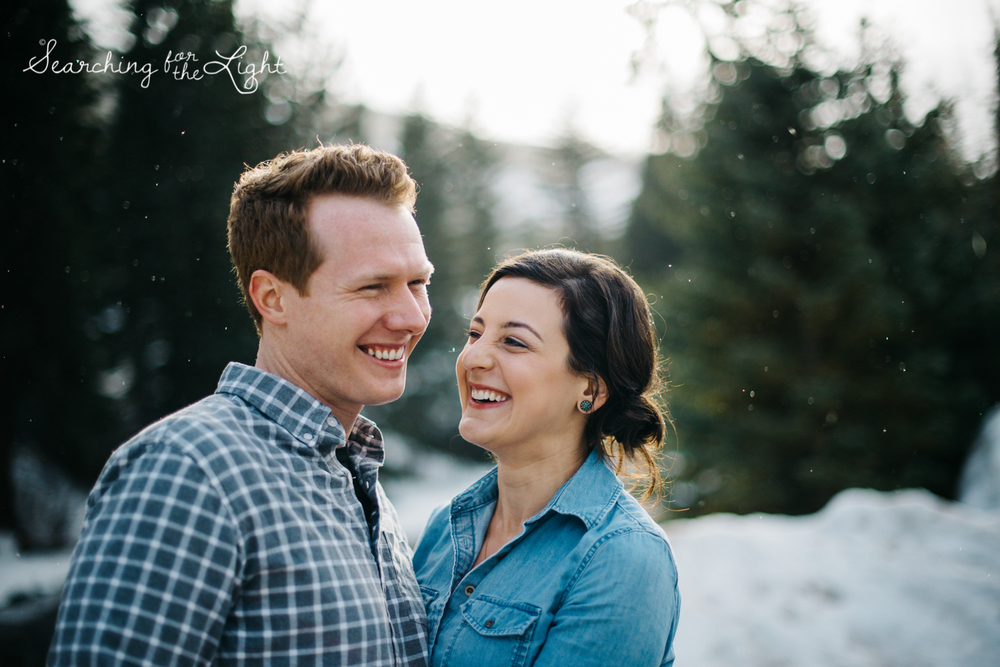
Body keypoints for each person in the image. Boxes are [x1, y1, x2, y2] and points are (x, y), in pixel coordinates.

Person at [48, 144, 434, 666]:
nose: (411, 317)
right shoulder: (189, 472)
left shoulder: (352, 472)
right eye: (373, 287)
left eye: (418, 283)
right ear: (272, 298)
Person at [412, 248, 680, 667]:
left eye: (514, 342)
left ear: (590, 389)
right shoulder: (444, 529)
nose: (474, 358)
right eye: (475, 333)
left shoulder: (622, 558)